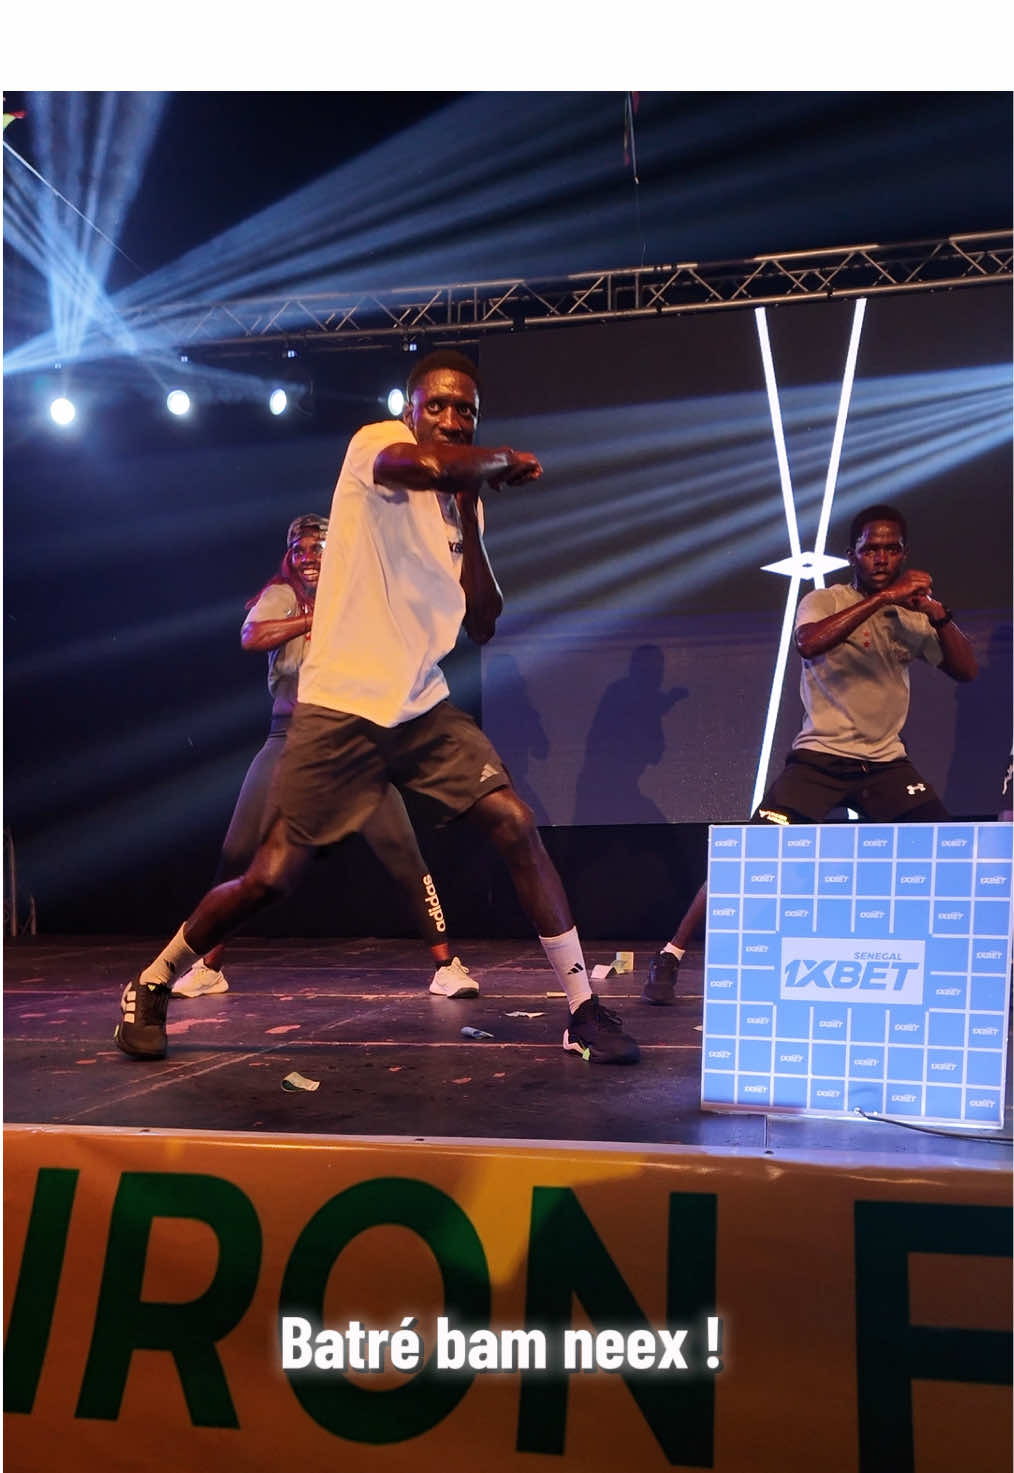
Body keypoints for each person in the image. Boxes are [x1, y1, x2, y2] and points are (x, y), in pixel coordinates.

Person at [116, 349, 639, 1065]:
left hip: (419, 705)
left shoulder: (464, 501)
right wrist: (495, 461)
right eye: (438, 406)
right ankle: (155, 979)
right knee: (272, 877)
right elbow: (417, 465)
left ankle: (583, 1009)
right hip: (340, 707)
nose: (451, 419)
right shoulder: (377, 447)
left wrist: (470, 507)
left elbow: (483, 621)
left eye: (466, 411)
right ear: (410, 411)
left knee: (514, 822)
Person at [643, 503, 978, 1005]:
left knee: (947, 849)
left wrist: (940, 615)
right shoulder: (824, 600)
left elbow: (966, 670)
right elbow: (809, 642)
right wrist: (885, 598)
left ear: (904, 553)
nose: (881, 558)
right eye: (870, 549)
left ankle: (968, 964)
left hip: (885, 764)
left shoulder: (912, 617)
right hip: (820, 759)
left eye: (891, 549)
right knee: (751, 853)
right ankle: (671, 953)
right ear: (852, 554)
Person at [173, 513, 476, 1001]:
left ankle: (446, 966)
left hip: (353, 744)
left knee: (402, 849)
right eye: (299, 550)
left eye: (318, 548)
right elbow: (251, 636)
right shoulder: (284, 595)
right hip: (289, 739)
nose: (307, 557)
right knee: (237, 852)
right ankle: (209, 966)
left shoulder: (363, 597)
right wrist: (316, 617)